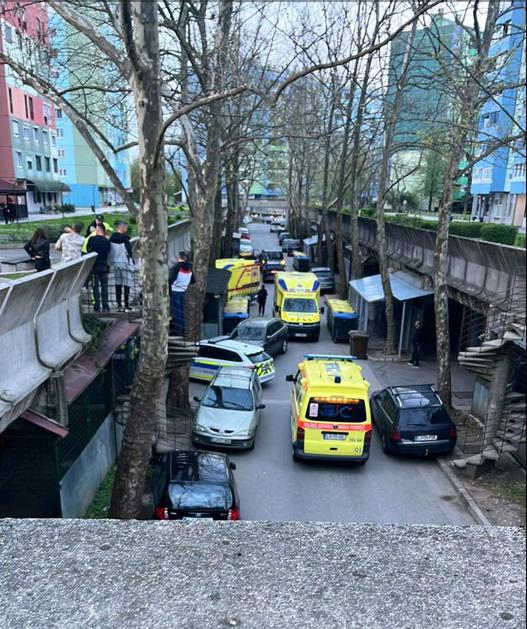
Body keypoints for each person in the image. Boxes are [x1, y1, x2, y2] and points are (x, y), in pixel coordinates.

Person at [110, 220, 135, 312]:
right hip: (125, 263)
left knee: (118, 284)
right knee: (127, 284)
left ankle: (119, 304)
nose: (127, 229)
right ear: (122, 227)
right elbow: (128, 252)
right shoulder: (125, 239)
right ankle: (126, 304)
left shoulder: (112, 238)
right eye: (126, 227)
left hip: (115, 263)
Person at [87, 224, 111, 312]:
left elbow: (88, 251)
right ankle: (105, 306)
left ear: (97, 229)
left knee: (95, 287)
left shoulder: (92, 239)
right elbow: (108, 253)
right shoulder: (107, 241)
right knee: (105, 287)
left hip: (94, 267)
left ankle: (97, 306)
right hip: (104, 266)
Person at [169, 251, 195, 335]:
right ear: (185, 258)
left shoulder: (177, 267)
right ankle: (183, 330)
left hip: (175, 291)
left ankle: (177, 331)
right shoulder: (190, 268)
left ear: (178, 257)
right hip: (183, 291)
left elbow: (171, 279)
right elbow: (193, 281)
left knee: (176, 312)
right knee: (181, 311)